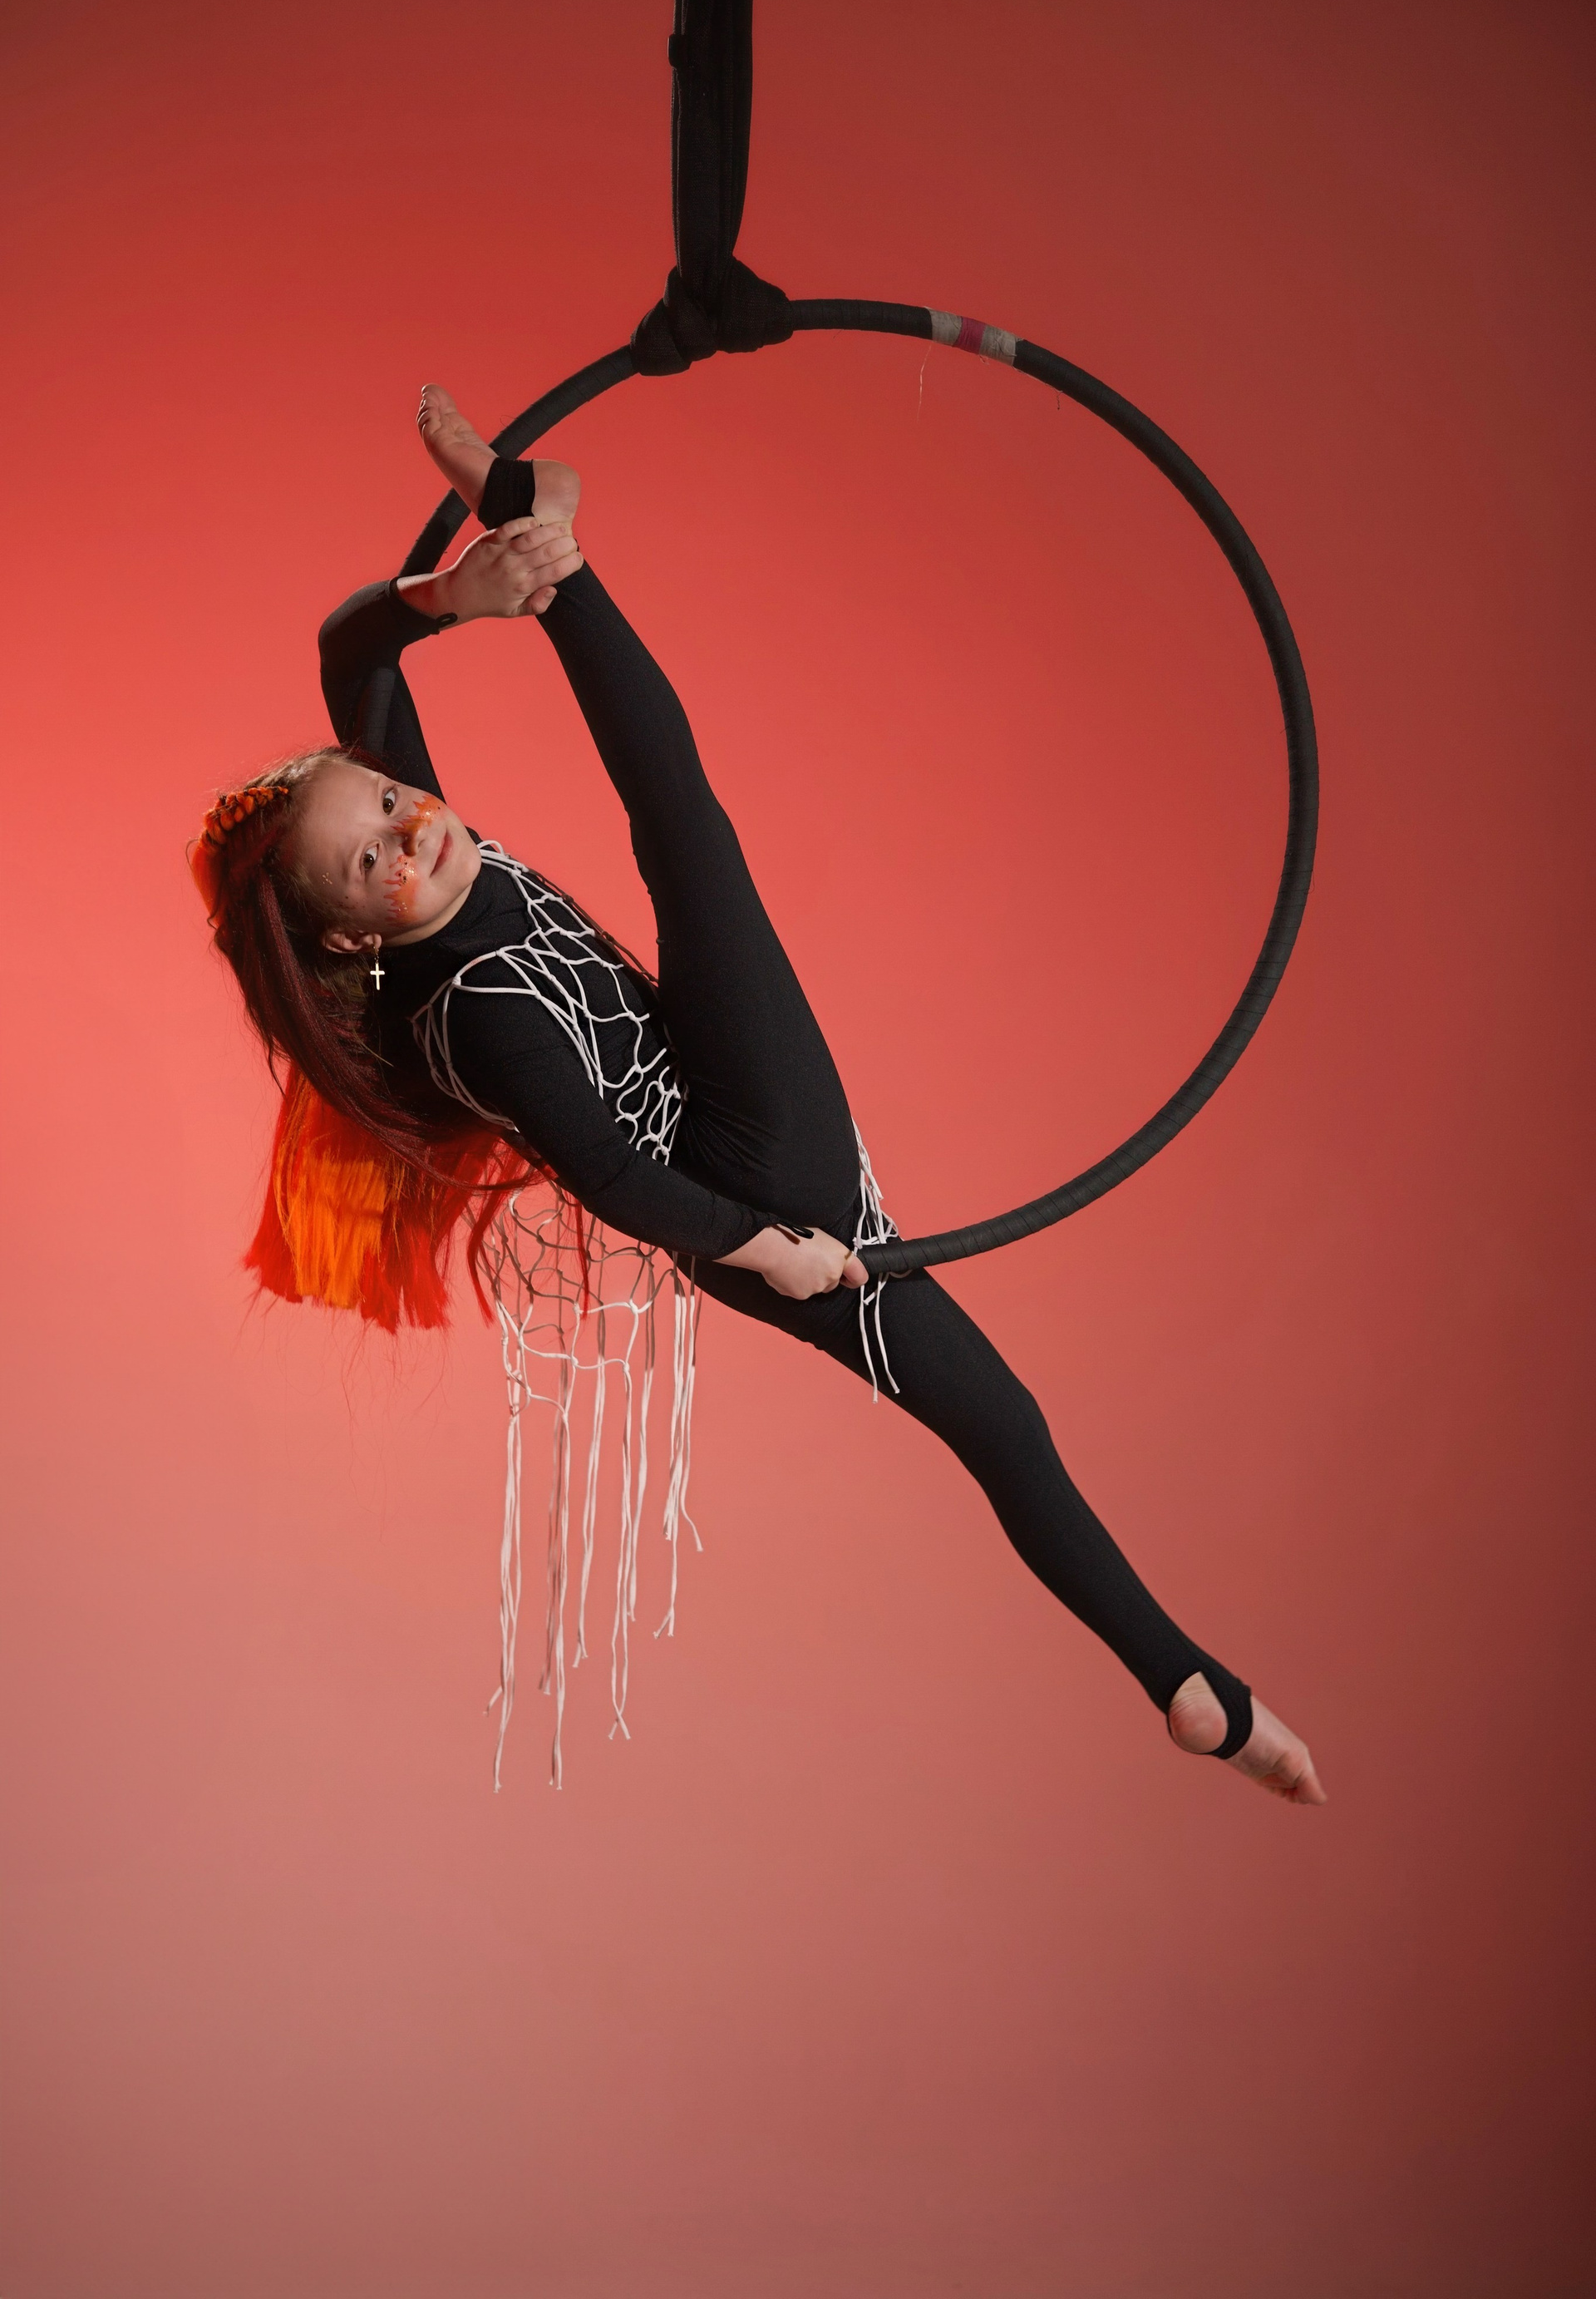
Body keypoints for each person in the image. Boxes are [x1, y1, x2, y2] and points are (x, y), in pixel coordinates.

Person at [192, 387, 1326, 1804]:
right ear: (351, 938)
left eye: (379, 801)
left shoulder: (430, 849)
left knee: (993, 1410)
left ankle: (1187, 1688)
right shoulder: (477, 1009)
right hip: (747, 1170)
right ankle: (549, 544)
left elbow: (344, 647)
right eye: (369, 860)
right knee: (687, 832)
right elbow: (613, 1174)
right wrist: (763, 1245)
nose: (404, 827)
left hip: (707, 1089)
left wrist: (447, 602)